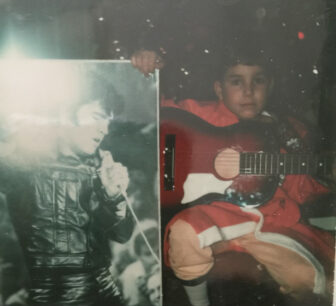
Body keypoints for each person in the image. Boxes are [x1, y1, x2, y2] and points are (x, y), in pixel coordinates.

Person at [132, 48, 335, 306]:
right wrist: (147, 69)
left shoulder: (289, 132)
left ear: (270, 86)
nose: (248, 91)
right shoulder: (198, 112)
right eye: (236, 81)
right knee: (185, 233)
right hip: (213, 215)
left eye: (258, 81)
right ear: (219, 89)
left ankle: (227, 247)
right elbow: (148, 108)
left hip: (270, 223)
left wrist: (326, 173)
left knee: (309, 278)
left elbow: (303, 191)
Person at [0, 84, 134, 306]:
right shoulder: (22, 162)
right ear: (64, 113)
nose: (105, 129)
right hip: (51, 297)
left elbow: (122, 235)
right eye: (97, 117)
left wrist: (113, 196)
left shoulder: (97, 168)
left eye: (108, 121)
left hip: (107, 294)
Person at [118, 219, 159, 306]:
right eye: (148, 254)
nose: (156, 258)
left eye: (158, 252)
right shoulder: (131, 275)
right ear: (138, 255)